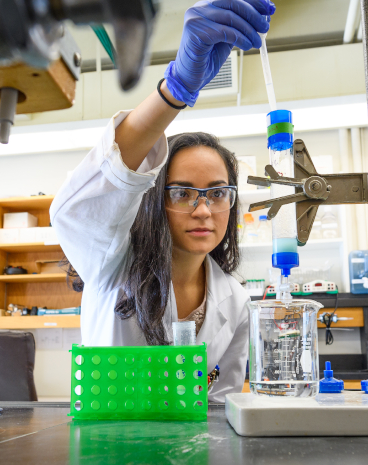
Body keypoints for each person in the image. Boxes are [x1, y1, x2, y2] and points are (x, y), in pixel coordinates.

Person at [50, 0, 274, 402]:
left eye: (217, 193)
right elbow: (75, 213)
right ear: (155, 199)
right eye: (183, 192)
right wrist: (175, 91)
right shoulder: (113, 265)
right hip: (111, 454)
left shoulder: (237, 302)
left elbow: (221, 407)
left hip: (195, 460)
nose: (203, 209)